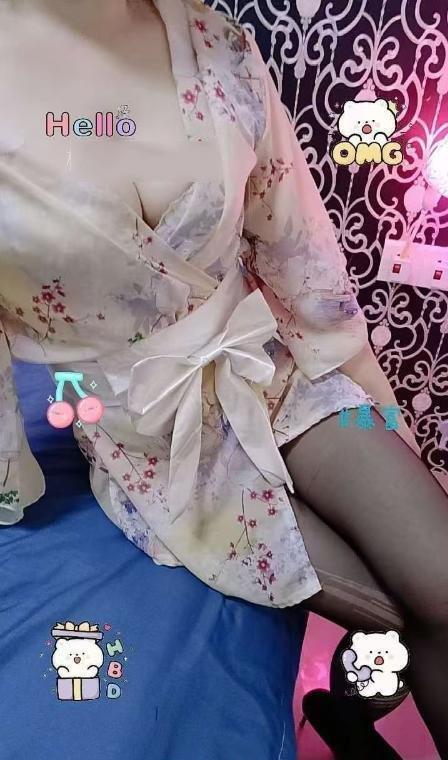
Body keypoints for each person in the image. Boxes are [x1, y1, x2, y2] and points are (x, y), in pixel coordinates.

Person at [1, 1, 447, 757]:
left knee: (440, 579)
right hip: (146, 433)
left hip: (268, 369)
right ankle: (347, 716)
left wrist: (385, 422)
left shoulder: (221, 48)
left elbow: (306, 270)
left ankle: (351, 717)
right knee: (397, 608)